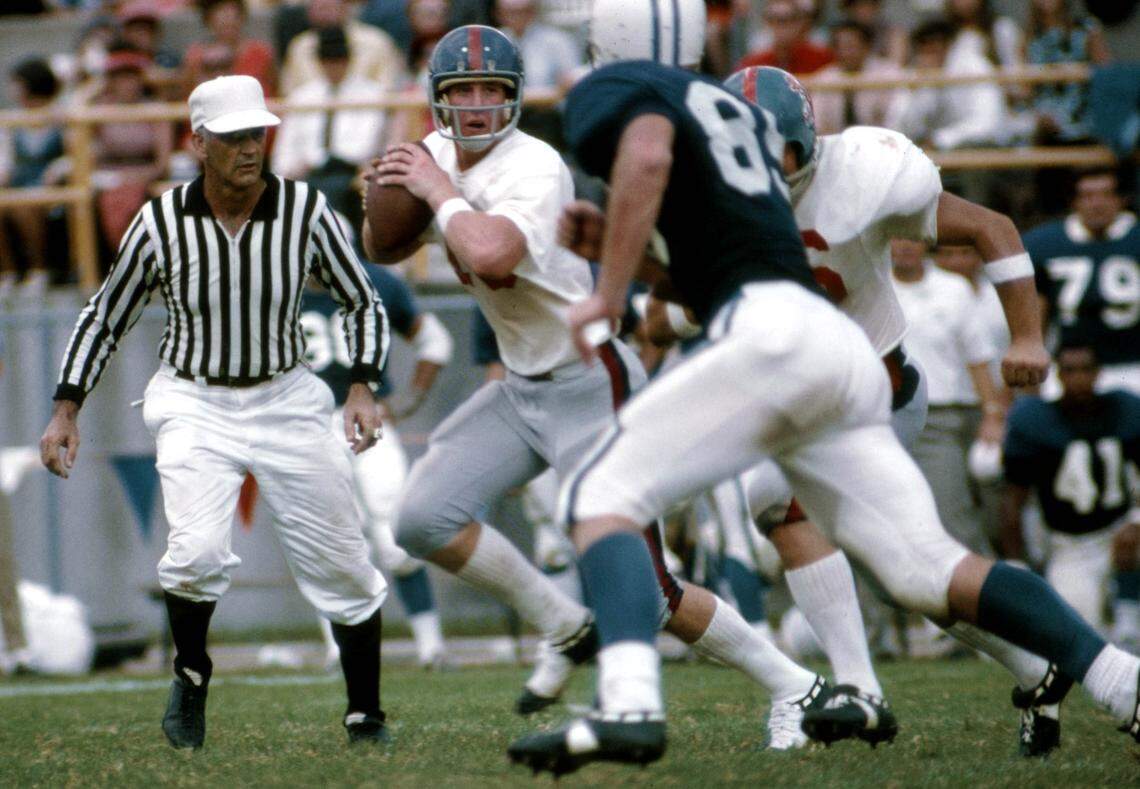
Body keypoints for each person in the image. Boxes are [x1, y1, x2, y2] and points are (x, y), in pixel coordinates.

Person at [508, 2, 1140, 774]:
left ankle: (631, 703)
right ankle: (1124, 681)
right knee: (923, 568)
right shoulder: (727, 117)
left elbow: (643, 158)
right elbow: (713, 277)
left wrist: (607, 290)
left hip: (784, 337)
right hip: (836, 354)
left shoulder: (633, 96)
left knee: (599, 494)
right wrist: (634, 264)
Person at [374, 24, 832, 753]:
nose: (479, 104)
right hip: (520, 387)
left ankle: (795, 685)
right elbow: (383, 244)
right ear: (438, 99)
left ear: (517, 97)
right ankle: (564, 622)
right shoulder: (434, 155)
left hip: (590, 379)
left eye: (493, 89)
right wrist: (392, 192)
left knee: (649, 595)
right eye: (463, 90)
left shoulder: (534, 165)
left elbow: (491, 256)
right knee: (420, 519)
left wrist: (434, 191)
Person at [39, 75, 392, 750]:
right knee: (195, 551)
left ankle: (365, 712)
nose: (249, 148)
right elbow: (105, 315)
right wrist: (66, 407)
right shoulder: (160, 222)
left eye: (257, 133)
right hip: (195, 395)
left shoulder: (308, 210)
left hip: (287, 393)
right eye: (232, 137)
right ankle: (193, 673)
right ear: (197, 142)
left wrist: (362, 385)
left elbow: (362, 299)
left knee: (344, 564)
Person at [301, 262, 453, 669]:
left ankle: (430, 646)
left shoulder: (377, 283)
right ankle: (339, 650)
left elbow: (435, 342)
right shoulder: (272, 282)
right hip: (305, 425)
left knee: (396, 535)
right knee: (327, 539)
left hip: (367, 417)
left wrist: (408, 401)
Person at [1026, 167, 1140, 647]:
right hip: (1069, 371)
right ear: (1073, 200)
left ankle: (1130, 598)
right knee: (1041, 459)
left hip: (1132, 366)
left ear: (1120, 199)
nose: (1095, 203)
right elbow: (1037, 314)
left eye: (1104, 194)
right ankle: (1043, 560)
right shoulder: (1048, 243)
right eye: (1086, 194)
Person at [1003, 343, 1140, 645]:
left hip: (1122, 531)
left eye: (1086, 370)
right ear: (1058, 375)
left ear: (1098, 373)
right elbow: (1014, 500)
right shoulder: (1035, 420)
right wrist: (1017, 566)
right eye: (1070, 371)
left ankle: (1131, 617)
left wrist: (1135, 520)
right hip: (1072, 547)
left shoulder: (1125, 408)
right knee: (1077, 638)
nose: (1079, 379)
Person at [891, 237, 1005, 556]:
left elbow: (978, 357)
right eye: (896, 238)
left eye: (911, 237)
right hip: (891, 416)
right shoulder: (873, 287)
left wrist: (992, 414)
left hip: (950, 413)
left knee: (960, 513)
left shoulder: (953, 289)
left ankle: (984, 593)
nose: (905, 246)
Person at [272, 26, 389, 224]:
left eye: (339, 59)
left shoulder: (372, 94)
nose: (333, 66)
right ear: (319, 62)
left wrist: (317, 159)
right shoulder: (302, 97)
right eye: (327, 60)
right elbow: (284, 149)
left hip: (348, 172)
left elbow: (364, 146)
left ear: (349, 60)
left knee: (331, 189)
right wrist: (290, 169)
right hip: (307, 174)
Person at [0, 57, 65, 303]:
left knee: (25, 207)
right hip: (20, 182)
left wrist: (57, 171)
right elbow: (5, 158)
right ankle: (7, 272)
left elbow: (73, 153)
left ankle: (39, 270)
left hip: (51, 184)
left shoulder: (61, 115)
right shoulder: (12, 120)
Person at [896, 19, 1007, 151]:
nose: (929, 55)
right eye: (924, 50)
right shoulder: (920, 74)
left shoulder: (975, 66)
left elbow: (988, 123)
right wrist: (923, 87)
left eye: (935, 47)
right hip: (940, 151)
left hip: (985, 147)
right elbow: (908, 129)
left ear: (949, 45)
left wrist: (941, 139)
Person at [279, 0, 405, 96]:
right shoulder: (300, 46)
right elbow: (289, 93)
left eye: (329, 7)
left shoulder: (376, 41)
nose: (325, 13)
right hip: (309, 121)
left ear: (346, 7)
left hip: (366, 119)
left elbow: (388, 89)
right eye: (319, 7)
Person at [809, 18, 908, 135]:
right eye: (839, 46)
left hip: (881, 143)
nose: (844, 52)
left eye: (851, 46)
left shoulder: (889, 74)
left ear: (867, 46)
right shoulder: (824, 78)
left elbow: (895, 119)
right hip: (835, 145)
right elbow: (818, 123)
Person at [183, 0, 277, 98]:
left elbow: (275, 92)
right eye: (220, 11)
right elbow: (188, 97)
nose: (228, 17)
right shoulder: (195, 56)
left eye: (232, 10)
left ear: (242, 16)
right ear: (208, 18)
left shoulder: (261, 52)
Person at [735, 0, 834, 76]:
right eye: (775, 20)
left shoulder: (822, 59)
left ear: (799, 23)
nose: (782, 27)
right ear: (767, 23)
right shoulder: (753, 64)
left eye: (788, 19)